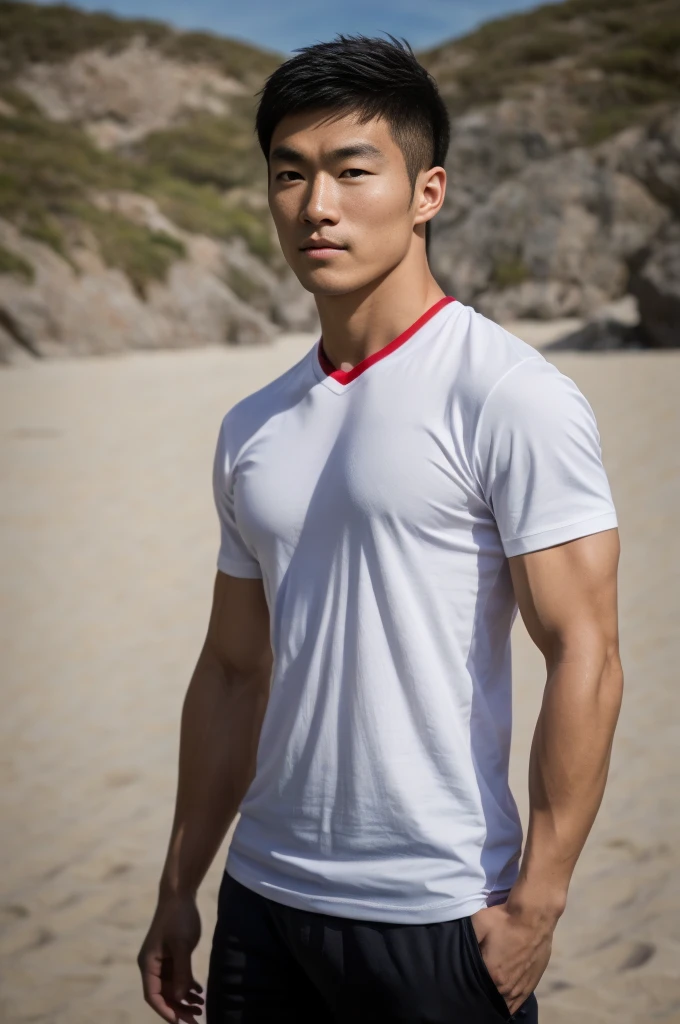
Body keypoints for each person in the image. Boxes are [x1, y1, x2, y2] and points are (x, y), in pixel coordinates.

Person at [137, 33, 623, 1024]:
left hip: (436, 909)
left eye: (351, 171)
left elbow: (584, 649)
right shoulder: (253, 424)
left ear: (425, 193)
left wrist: (538, 895)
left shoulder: (508, 395)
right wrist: (178, 884)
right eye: (288, 174)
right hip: (262, 899)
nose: (314, 206)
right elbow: (233, 668)